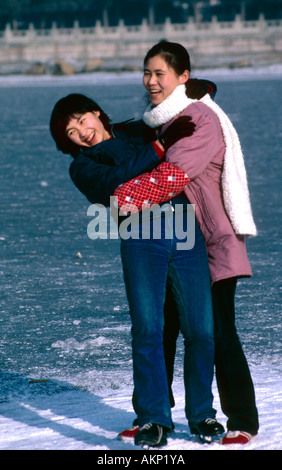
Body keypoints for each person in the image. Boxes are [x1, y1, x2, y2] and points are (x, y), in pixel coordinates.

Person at [50, 80, 225, 448]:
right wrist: (159, 148)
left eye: (83, 120)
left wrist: (192, 89)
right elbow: (117, 181)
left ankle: (202, 415)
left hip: (184, 231)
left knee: (201, 330)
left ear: (96, 113)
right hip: (141, 240)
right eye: (71, 133)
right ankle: (153, 419)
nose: (82, 133)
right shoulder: (83, 167)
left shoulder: (138, 129)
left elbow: (176, 113)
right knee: (148, 329)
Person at [114, 41, 259, 445]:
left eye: (160, 73)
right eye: (147, 72)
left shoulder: (199, 120)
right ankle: (151, 415)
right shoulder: (164, 119)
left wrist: (121, 197)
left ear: (183, 78)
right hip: (174, 240)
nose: (151, 81)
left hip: (213, 242)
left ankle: (241, 419)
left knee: (216, 331)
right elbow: (139, 142)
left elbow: (173, 175)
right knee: (160, 329)